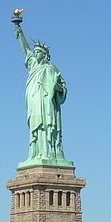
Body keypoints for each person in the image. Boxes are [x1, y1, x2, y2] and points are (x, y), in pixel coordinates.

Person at [14, 21, 67, 163]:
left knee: (48, 126)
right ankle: (36, 153)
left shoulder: (52, 69)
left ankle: (51, 153)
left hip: (47, 103)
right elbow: (26, 50)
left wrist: (57, 88)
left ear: (45, 55)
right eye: (35, 51)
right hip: (34, 101)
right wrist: (20, 32)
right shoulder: (33, 66)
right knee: (36, 128)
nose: (35, 53)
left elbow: (63, 89)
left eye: (38, 52)